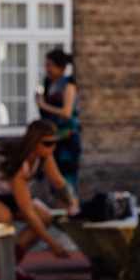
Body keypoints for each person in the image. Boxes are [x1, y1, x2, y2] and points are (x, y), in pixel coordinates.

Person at [0, 119, 79, 280]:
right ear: (34, 142)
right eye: (47, 143)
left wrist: (72, 202)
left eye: (55, 142)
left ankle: (8, 263)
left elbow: (58, 182)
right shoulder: (19, 164)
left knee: (45, 216)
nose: (52, 147)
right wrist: (52, 243)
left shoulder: (44, 155)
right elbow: (27, 211)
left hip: (5, 192)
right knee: (2, 218)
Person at [36, 48, 81, 190]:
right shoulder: (49, 84)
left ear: (60, 67)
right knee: (54, 180)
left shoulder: (68, 85)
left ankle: (71, 208)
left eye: (50, 65)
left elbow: (67, 112)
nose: (47, 69)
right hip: (54, 137)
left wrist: (44, 105)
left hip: (66, 138)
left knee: (66, 179)